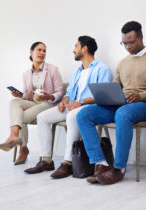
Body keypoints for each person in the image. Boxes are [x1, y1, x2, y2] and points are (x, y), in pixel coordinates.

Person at [76, 21, 146, 185]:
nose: (127, 46)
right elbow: (115, 87)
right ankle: (101, 164)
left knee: (123, 113)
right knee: (84, 114)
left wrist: (141, 95)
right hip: (122, 104)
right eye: (124, 43)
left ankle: (118, 168)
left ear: (141, 37)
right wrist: (107, 96)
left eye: (131, 42)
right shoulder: (122, 63)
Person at [24, 36, 113, 178]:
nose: (73, 50)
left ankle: (67, 163)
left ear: (84, 49)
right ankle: (46, 160)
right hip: (72, 106)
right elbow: (70, 93)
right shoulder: (76, 72)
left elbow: (102, 96)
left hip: (89, 107)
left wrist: (81, 102)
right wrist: (64, 101)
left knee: (72, 116)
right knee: (42, 117)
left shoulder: (103, 70)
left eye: (76, 47)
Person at [0, 42, 63, 165]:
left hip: (47, 104)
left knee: (18, 117)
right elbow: (27, 96)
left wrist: (50, 96)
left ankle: (22, 147)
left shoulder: (53, 69)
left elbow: (60, 92)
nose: (42, 53)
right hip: (33, 102)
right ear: (31, 52)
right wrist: (20, 95)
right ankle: (15, 137)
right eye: (39, 50)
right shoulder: (26, 74)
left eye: (44, 51)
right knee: (14, 102)